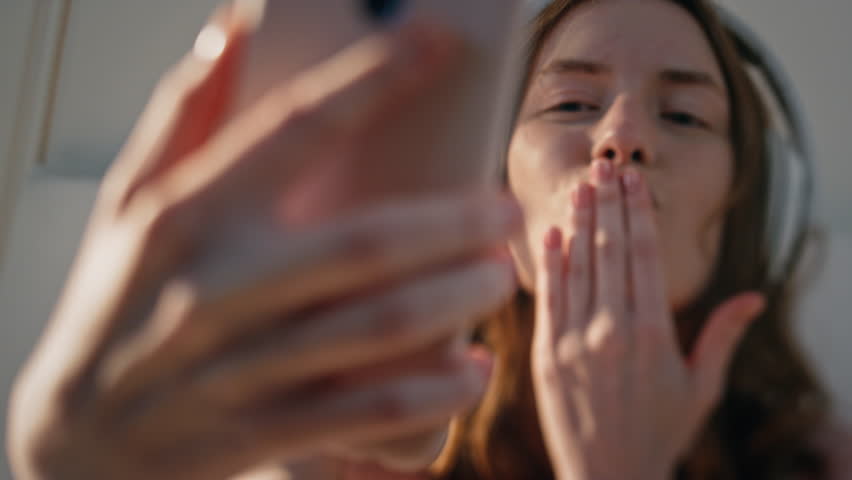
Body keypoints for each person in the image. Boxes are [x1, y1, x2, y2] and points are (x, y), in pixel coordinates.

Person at [6, 0, 850, 479]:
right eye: (569, 104)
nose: (621, 135)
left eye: (684, 114)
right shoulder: (368, 450)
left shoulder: (822, 464)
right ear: (496, 201)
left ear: (749, 209)